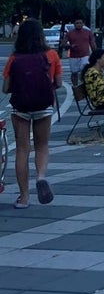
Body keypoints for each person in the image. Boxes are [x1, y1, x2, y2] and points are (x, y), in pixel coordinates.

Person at [3, 19, 63, 208]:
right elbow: (59, 83)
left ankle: (24, 197)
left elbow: (5, 88)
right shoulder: (52, 55)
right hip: (44, 107)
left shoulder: (14, 58)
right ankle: (41, 177)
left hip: (20, 108)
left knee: (22, 150)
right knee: (42, 146)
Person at [63, 18, 97, 86]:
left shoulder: (88, 32)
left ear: (83, 24)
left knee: (85, 71)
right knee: (74, 73)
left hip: (85, 55)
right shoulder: (70, 33)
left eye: (80, 23)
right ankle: (75, 87)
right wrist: (70, 46)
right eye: (77, 23)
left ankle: (85, 86)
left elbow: (92, 43)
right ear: (74, 24)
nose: (79, 25)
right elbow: (63, 44)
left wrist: (95, 53)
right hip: (73, 56)